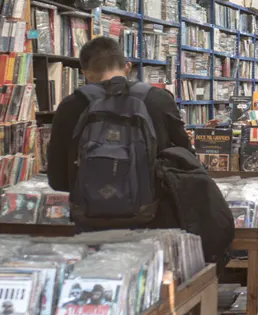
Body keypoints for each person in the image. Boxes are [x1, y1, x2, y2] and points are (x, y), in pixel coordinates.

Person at [47, 38, 234, 269]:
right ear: (127, 66)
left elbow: (57, 179)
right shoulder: (157, 99)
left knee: (97, 281)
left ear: (85, 72)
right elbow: (185, 160)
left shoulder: (70, 105)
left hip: (90, 224)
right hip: (155, 221)